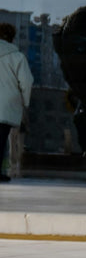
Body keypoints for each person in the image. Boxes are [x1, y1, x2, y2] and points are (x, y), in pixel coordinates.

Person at [0, 22, 33, 181]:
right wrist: (25, 102)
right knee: (1, 139)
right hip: (7, 105)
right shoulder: (17, 57)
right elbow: (26, 81)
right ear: (12, 38)